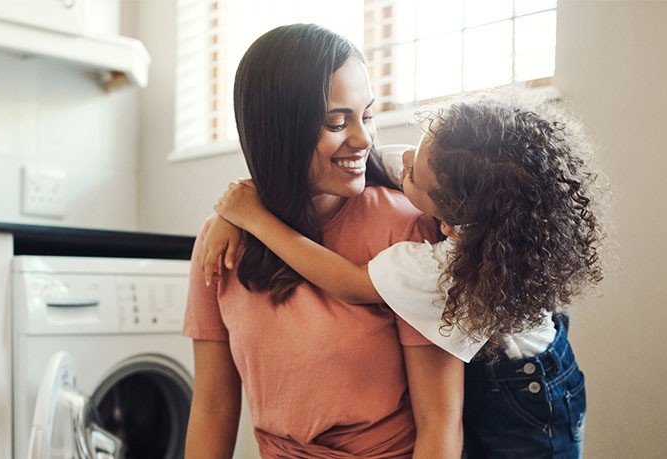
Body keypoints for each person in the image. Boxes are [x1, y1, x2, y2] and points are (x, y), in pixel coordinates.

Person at [201, 89, 605, 458]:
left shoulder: (435, 266)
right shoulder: (454, 176)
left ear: (449, 221)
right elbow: (318, 160)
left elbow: (351, 283)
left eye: (412, 176)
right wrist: (240, 202)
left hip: (528, 401)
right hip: (504, 367)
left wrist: (255, 220)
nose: (404, 161)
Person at [182, 24, 464, 459]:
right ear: (279, 131)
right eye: (337, 121)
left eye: (366, 115)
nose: (364, 139)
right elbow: (213, 407)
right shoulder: (223, 239)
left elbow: (440, 427)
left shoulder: (406, 229)